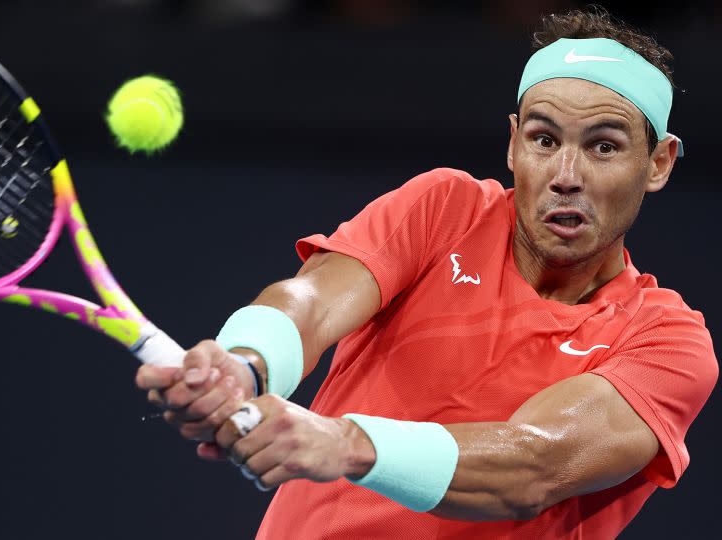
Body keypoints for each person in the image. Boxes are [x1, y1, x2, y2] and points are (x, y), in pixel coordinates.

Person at [136, 7, 717, 539]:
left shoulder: (667, 342)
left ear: (658, 163)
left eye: (603, 147)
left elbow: (533, 464)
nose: (565, 174)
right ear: (514, 145)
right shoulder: (445, 209)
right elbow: (310, 301)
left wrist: (346, 444)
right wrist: (247, 363)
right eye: (543, 139)